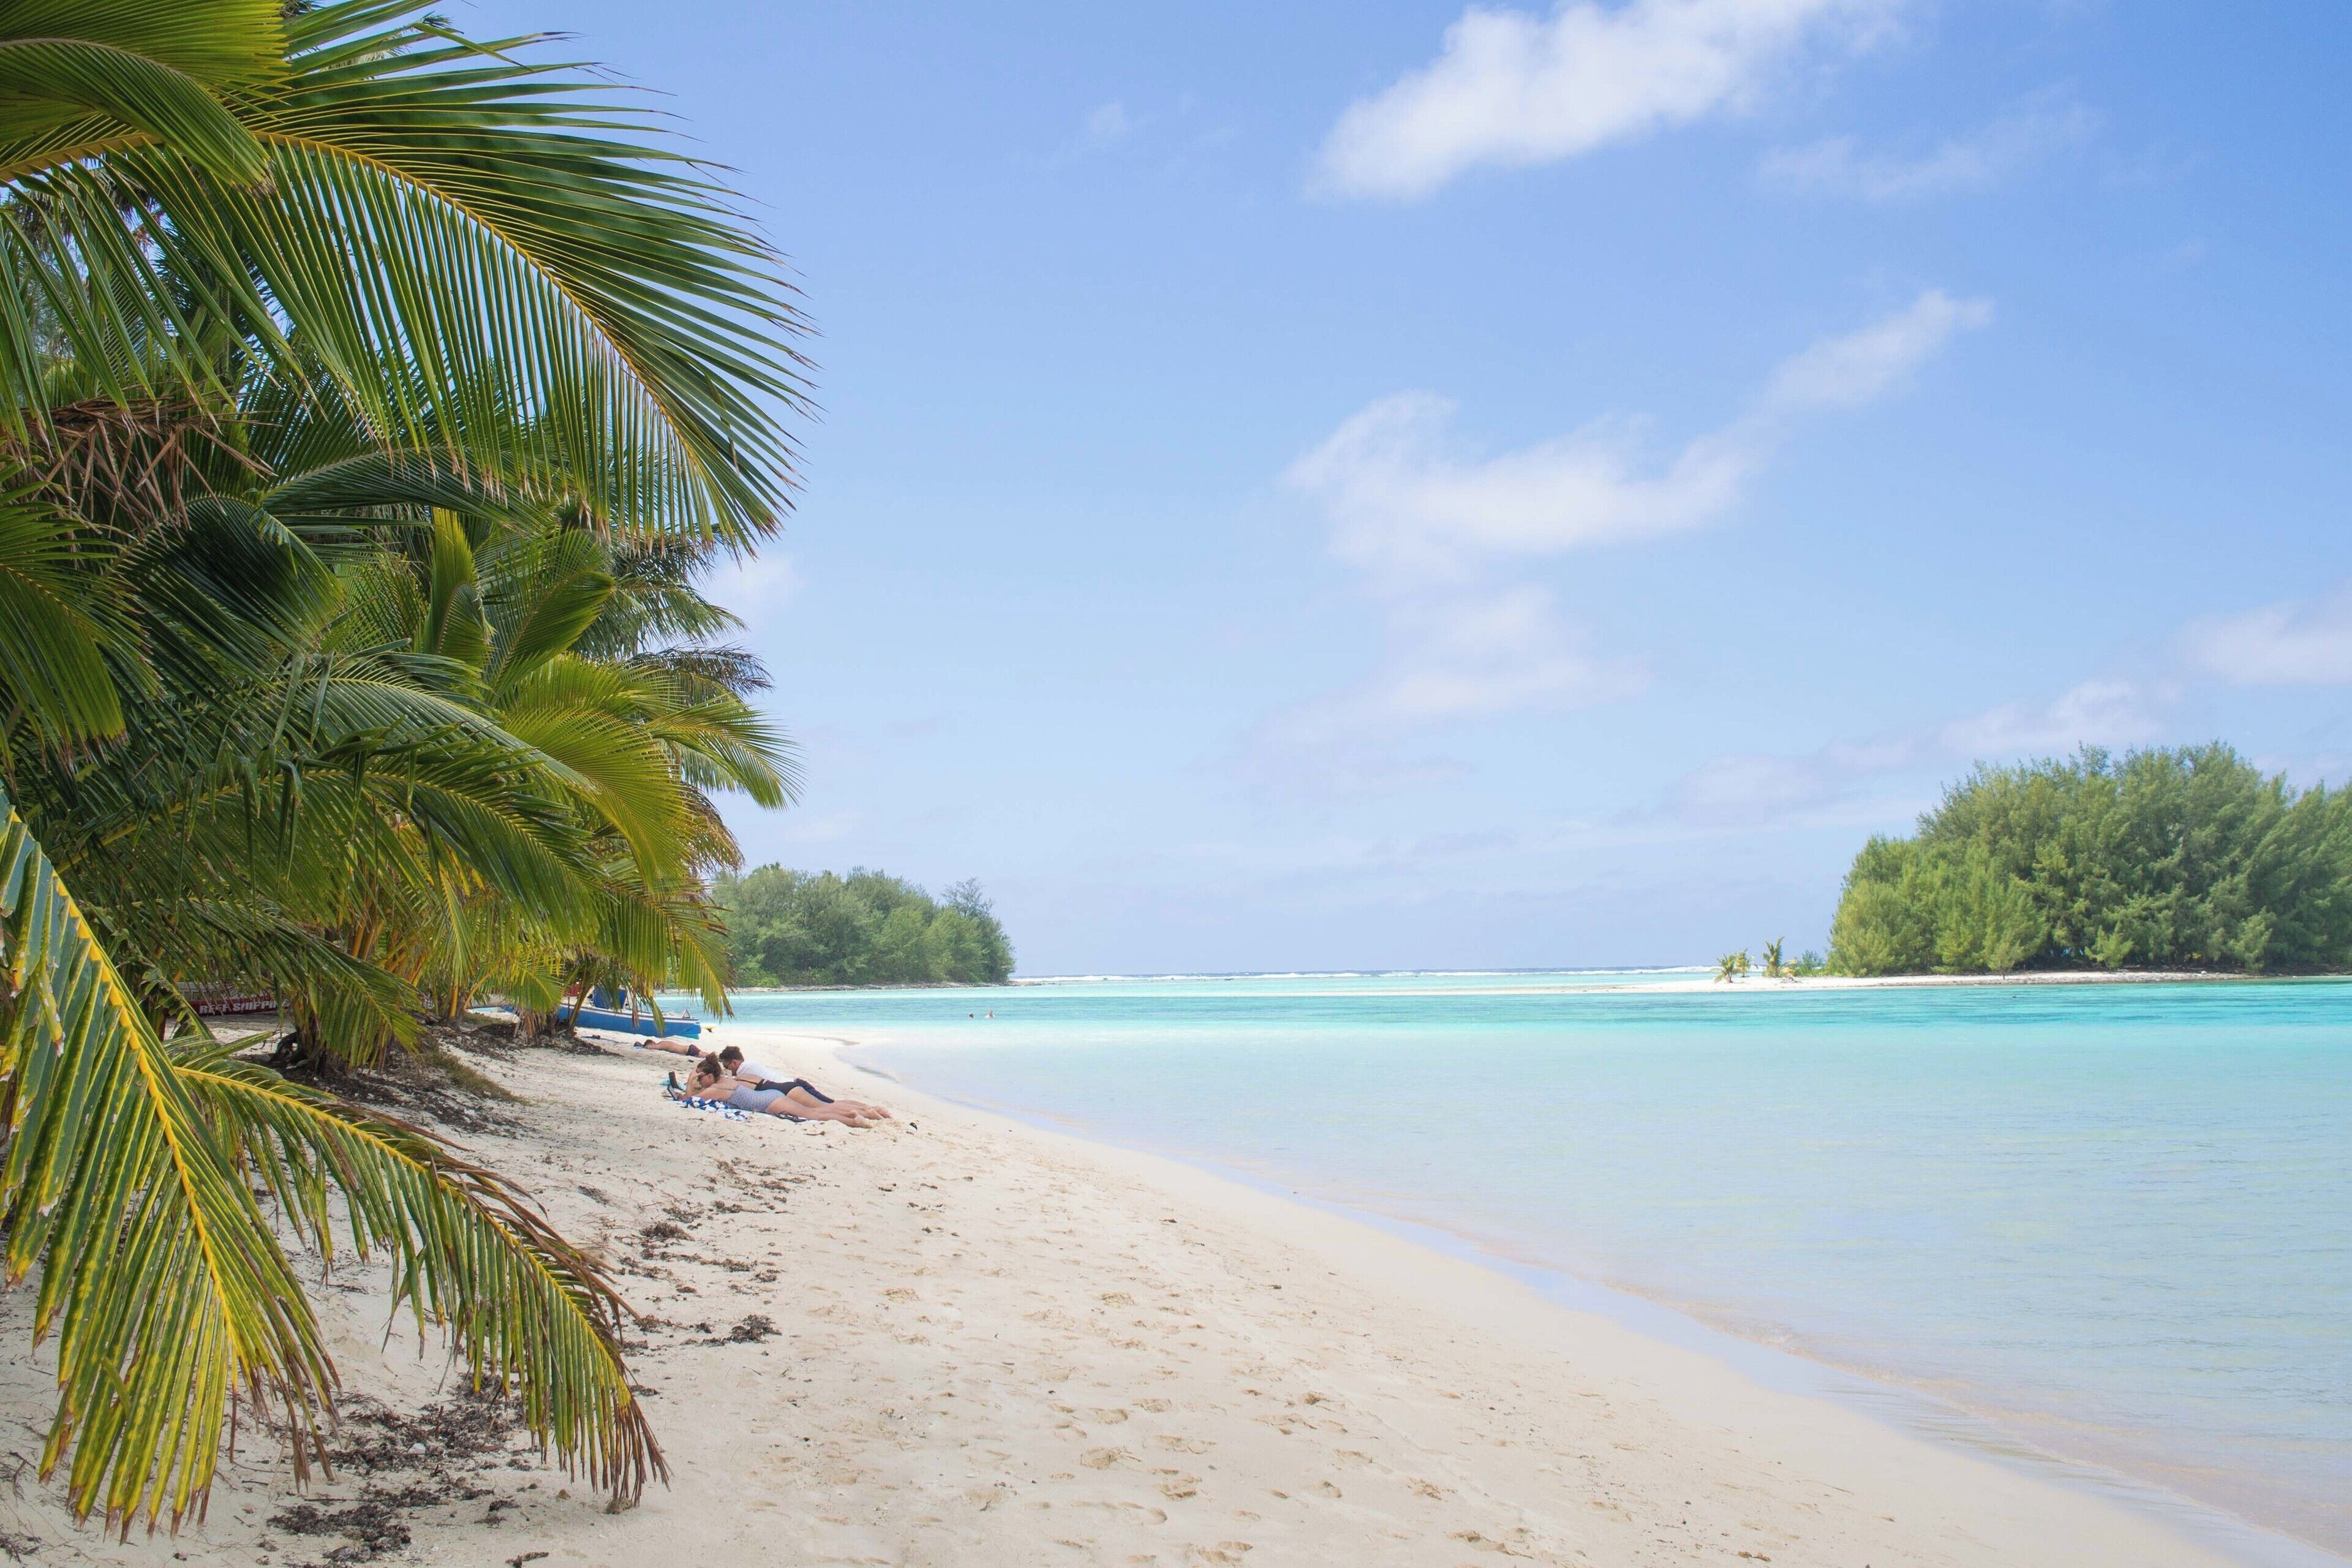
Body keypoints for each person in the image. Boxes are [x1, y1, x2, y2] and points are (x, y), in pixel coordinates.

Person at [677, 1054, 883, 1128]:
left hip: (770, 1102)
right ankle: (853, 1114)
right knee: (818, 1111)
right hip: (773, 1096)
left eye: (701, 1078)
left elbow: (689, 1099)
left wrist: (690, 1079)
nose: (700, 1082)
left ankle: (853, 1120)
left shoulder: (715, 1089)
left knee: (816, 1114)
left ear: (709, 1075)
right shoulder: (726, 1080)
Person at [715, 1046, 892, 1121]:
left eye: (727, 1066)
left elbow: (738, 1087)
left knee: (830, 1106)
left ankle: (869, 1111)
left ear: (734, 1063)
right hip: (794, 1082)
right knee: (832, 1103)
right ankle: (870, 1108)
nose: (729, 1071)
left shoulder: (744, 1070)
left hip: (791, 1088)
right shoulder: (751, 1063)